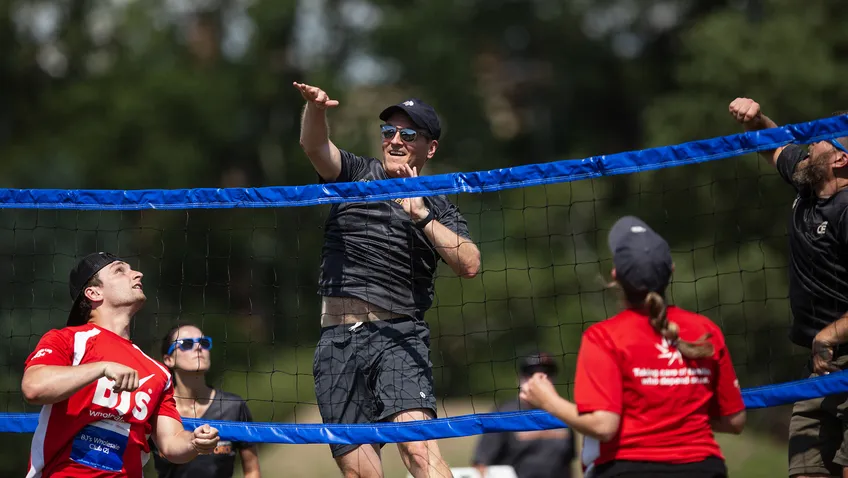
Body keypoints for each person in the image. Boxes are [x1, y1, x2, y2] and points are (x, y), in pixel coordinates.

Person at [292, 81, 482, 478]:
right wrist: (317, 109)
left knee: (418, 451)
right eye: (389, 132)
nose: (395, 140)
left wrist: (422, 216)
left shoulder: (438, 203)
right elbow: (314, 147)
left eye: (408, 134)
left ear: (429, 148)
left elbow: (469, 263)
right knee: (362, 473)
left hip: (397, 338)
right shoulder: (356, 173)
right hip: (336, 343)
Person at [520, 216, 746, 478]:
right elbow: (734, 420)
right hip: (705, 469)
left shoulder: (603, 336)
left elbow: (604, 425)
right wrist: (675, 419)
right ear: (671, 270)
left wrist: (548, 401)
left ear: (615, 276)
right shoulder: (706, 330)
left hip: (629, 469)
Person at [729, 98, 848, 478]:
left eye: (820, 139)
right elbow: (773, 141)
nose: (809, 142)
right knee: (805, 471)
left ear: (840, 159)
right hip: (820, 366)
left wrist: (832, 331)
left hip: (840, 353)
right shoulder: (808, 180)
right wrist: (756, 116)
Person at [21, 252, 220, 478]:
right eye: (119, 270)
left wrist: (194, 441)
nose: (137, 274)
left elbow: (172, 444)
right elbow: (33, 387)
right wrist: (101, 368)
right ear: (94, 292)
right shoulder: (67, 340)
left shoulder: (158, 372)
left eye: (132, 269)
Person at [150, 323, 261, 478]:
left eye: (204, 343)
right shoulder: (155, 408)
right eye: (186, 344)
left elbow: (252, 471)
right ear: (168, 359)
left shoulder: (233, 406)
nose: (198, 348)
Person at [472, 353, 575, 478]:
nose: (538, 380)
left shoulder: (564, 412)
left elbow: (569, 463)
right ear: (520, 379)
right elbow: (481, 463)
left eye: (546, 374)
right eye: (531, 374)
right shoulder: (503, 414)